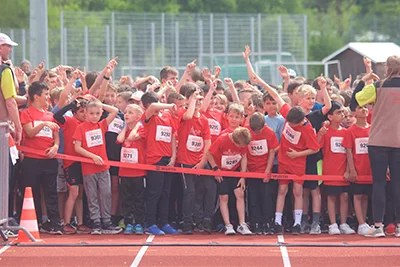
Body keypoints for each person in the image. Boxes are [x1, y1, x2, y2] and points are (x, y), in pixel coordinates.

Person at [251, 73, 320, 235]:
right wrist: (260, 81)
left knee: (297, 192)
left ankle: (297, 223)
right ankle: (277, 221)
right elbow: (275, 94)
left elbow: (315, 148)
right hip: (283, 161)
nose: (288, 124)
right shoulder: (289, 112)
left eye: (291, 124)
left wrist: (298, 154)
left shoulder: (307, 128)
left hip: (297, 163)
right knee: (282, 191)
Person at [352, 55, 400, 237]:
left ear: (388, 68)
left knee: (379, 184)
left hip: (379, 140)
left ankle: (378, 226)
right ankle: (398, 226)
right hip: (398, 140)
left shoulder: (377, 86)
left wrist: (364, 79)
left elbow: (356, 99)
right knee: (398, 184)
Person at [73, 98, 122, 235]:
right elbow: (77, 147)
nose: (94, 116)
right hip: (88, 168)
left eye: (97, 113)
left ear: (101, 113)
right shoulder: (81, 127)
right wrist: (92, 156)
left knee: (106, 194)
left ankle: (106, 221)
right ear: (86, 114)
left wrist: (99, 104)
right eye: (92, 113)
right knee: (92, 195)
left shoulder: (102, 125)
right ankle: (96, 222)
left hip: (103, 167)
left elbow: (115, 110)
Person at [20, 82, 62, 234]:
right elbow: (29, 133)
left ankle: (55, 223)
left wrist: (56, 147)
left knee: (51, 192)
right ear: (36, 97)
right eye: (45, 94)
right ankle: (34, 222)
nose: (48, 97)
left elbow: (56, 136)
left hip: (49, 160)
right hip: (32, 160)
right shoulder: (27, 113)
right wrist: (43, 123)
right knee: (33, 192)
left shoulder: (50, 115)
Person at [176, 83, 213, 234]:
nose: (197, 102)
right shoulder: (182, 113)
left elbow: (208, 143)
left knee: (199, 193)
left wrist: (203, 162)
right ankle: (186, 223)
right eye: (194, 99)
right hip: (185, 161)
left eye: (200, 100)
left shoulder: (204, 120)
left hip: (199, 162)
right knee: (189, 192)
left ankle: (200, 221)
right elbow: (189, 115)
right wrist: (192, 100)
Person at [141, 91, 178, 235]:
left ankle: (164, 222)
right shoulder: (148, 116)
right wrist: (169, 105)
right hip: (154, 159)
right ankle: (150, 223)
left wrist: (173, 156)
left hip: (167, 159)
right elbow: (153, 107)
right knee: (154, 193)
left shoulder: (167, 116)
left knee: (165, 193)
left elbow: (173, 136)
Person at [207, 127, 253, 235]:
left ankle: (242, 224)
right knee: (224, 197)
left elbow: (244, 157)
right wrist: (215, 169)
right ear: (233, 141)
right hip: (222, 173)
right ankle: (228, 225)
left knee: (240, 194)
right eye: (240, 146)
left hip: (235, 171)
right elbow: (209, 154)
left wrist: (243, 176)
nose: (242, 148)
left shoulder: (243, 141)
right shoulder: (222, 140)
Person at [318, 102, 355, 235]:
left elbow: (348, 152)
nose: (342, 115)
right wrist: (320, 134)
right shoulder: (326, 132)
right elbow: (316, 146)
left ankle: (343, 223)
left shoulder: (346, 132)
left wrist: (348, 170)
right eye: (338, 113)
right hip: (329, 170)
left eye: (342, 112)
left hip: (343, 171)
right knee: (331, 197)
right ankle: (333, 224)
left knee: (344, 196)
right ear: (330, 116)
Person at [246, 112, 279, 234]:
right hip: (251, 171)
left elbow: (272, 152)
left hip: (264, 170)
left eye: (258, 131)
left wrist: (267, 171)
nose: (256, 133)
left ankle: (267, 222)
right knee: (253, 198)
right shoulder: (246, 130)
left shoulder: (269, 133)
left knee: (266, 198)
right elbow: (243, 151)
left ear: (264, 125)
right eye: (254, 131)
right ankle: (255, 223)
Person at [342, 104, 373, 235]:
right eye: (360, 108)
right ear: (355, 112)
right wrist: (352, 169)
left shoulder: (372, 129)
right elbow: (348, 151)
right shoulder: (351, 131)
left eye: (365, 107)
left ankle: (363, 222)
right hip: (357, 167)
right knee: (357, 196)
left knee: (365, 196)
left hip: (370, 169)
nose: (364, 109)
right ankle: (360, 222)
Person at [117, 104, 146, 235]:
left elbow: (132, 137)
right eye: (125, 112)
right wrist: (125, 127)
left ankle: (139, 222)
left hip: (138, 173)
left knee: (139, 199)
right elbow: (120, 139)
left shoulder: (141, 130)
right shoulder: (125, 130)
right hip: (124, 172)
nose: (126, 114)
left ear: (138, 117)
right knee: (126, 198)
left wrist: (138, 125)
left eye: (130, 113)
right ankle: (128, 222)